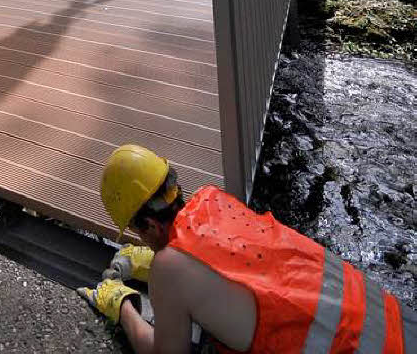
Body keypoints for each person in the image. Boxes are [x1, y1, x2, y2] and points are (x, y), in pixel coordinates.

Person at [78, 144, 415, 354]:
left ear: (149, 226)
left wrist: (122, 306)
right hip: (397, 324)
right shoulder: (216, 203)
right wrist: (154, 263)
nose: (141, 240)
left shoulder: (170, 269)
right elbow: (235, 269)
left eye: (138, 233)